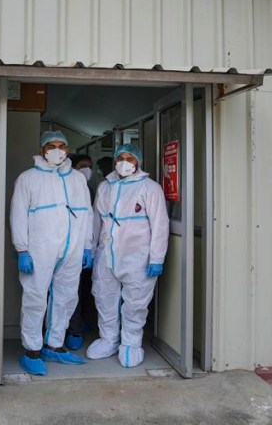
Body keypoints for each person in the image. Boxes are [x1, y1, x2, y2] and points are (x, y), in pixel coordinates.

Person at [10, 131, 94, 375]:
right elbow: (17, 214)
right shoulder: (28, 178)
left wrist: (87, 245)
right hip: (40, 248)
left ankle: (55, 346)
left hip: (74, 247)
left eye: (61, 146)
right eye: (51, 145)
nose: (57, 150)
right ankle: (32, 350)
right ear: (42, 148)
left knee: (67, 297)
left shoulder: (77, 179)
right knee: (35, 298)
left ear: (68, 150)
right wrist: (22, 249)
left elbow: (87, 213)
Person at [87, 143, 168, 368]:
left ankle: (131, 342)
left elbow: (160, 224)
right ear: (114, 161)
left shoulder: (150, 188)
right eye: (120, 158)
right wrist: (90, 248)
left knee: (136, 301)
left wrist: (156, 258)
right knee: (104, 297)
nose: (125, 163)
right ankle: (109, 339)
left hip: (138, 256)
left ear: (138, 162)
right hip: (106, 254)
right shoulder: (104, 186)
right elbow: (96, 219)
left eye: (130, 159)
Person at [65, 154, 96, 350]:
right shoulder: (65, 186)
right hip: (64, 248)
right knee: (67, 292)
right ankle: (72, 330)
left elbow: (91, 219)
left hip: (84, 248)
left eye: (89, 166)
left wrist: (89, 248)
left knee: (82, 289)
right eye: (82, 166)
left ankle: (77, 328)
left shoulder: (90, 189)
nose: (86, 169)